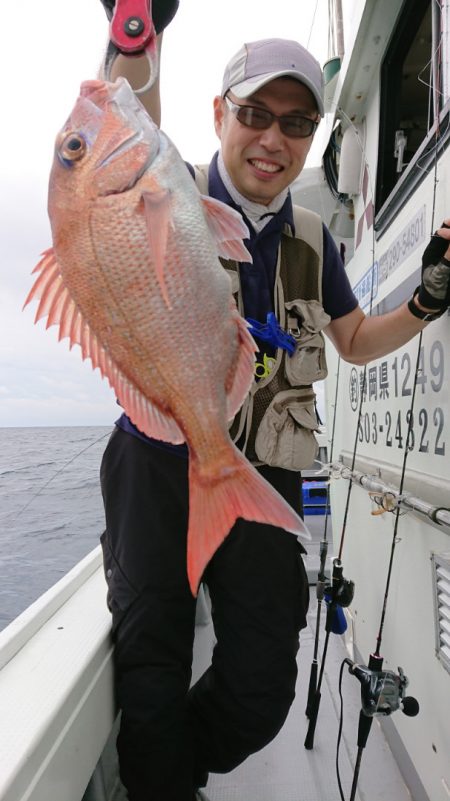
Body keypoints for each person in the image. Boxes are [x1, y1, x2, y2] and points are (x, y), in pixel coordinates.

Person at [98, 3, 450, 800]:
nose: (273, 138)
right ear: (218, 113)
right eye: (254, 113)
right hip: (157, 464)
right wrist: (135, 29)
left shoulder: (313, 236)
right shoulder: (167, 191)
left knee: (263, 682)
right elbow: (120, 128)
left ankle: (175, 770)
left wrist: (427, 302)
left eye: (297, 122)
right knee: (151, 664)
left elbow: (353, 338)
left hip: (256, 474)